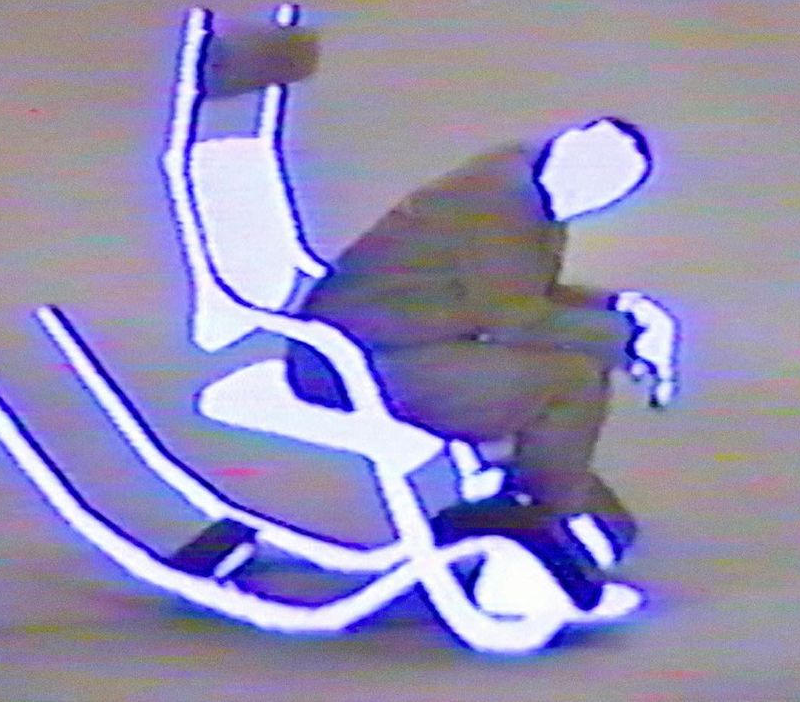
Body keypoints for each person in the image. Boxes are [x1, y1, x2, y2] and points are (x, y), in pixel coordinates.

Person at [285, 118, 679, 609]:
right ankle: (540, 535)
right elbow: (514, 318)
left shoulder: (524, 184)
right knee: (569, 382)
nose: (593, 200)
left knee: (571, 383)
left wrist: (621, 308)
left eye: (607, 193)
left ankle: (544, 518)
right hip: (353, 363)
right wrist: (630, 338)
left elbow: (521, 295)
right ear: (568, 148)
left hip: (394, 344)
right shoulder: (496, 204)